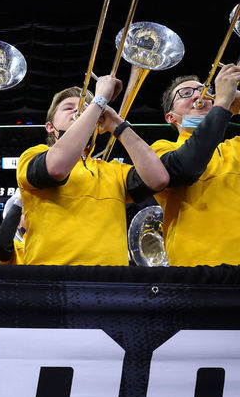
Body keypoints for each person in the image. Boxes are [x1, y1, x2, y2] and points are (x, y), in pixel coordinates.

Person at [16, 76, 169, 265]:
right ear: (50, 127)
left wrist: (118, 125)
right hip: (52, 280)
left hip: (110, 283)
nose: (79, 110)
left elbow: (159, 179)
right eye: (68, 107)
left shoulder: (113, 170)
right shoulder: (33, 155)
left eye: (84, 108)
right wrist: (97, 101)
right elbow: (57, 168)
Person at [150, 64, 240, 266]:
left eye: (204, 91)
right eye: (185, 93)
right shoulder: (161, 149)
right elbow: (188, 166)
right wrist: (222, 105)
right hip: (196, 271)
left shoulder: (236, 146)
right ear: (170, 117)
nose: (198, 96)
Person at [0, 190, 26, 265]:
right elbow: (3, 245)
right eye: (25, 211)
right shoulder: (16, 247)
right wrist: (19, 203)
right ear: (18, 224)